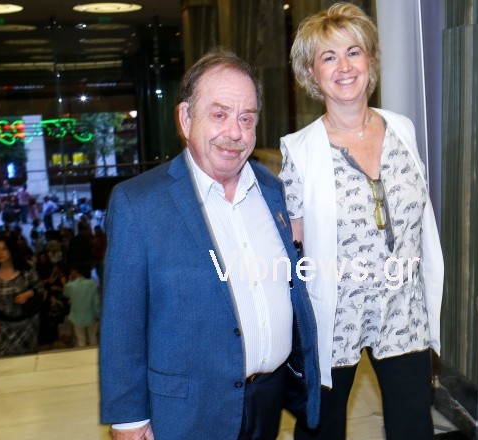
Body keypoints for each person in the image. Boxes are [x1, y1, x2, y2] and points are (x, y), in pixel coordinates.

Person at [99, 49, 321, 440]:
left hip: (268, 399)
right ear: (186, 118)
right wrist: (128, 420)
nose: (234, 133)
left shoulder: (271, 190)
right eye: (219, 115)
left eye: (246, 119)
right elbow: (122, 323)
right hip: (189, 412)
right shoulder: (138, 204)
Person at [280, 4, 444, 440]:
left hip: (403, 309)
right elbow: (294, 244)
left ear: (370, 60)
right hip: (336, 313)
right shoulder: (300, 151)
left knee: (414, 427)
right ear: (311, 73)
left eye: (353, 52)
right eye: (328, 57)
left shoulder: (402, 129)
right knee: (321, 429)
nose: (344, 66)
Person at [0, 236, 45, 356]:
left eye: (4, 249)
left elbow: (40, 289)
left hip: (28, 322)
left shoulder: (26, 271)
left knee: (28, 357)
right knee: (6, 357)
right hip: (3, 324)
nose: (0, 253)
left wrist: (28, 294)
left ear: (11, 250)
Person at [64, 265, 100, 347]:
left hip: (77, 316)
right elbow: (96, 301)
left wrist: (70, 280)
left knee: (81, 339)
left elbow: (66, 294)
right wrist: (98, 314)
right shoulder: (91, 283)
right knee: (93, 337)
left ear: (75, 271)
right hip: (90, 315)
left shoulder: (70, 286)